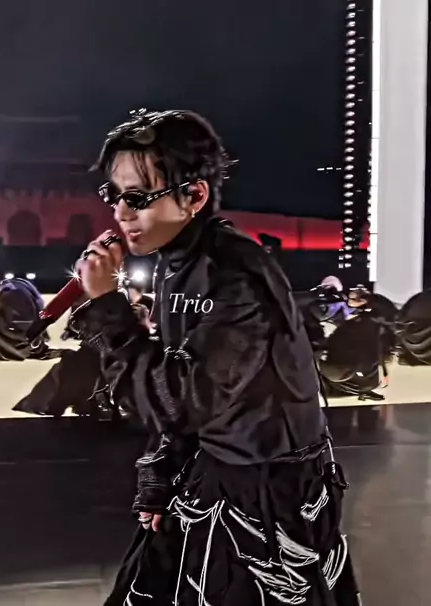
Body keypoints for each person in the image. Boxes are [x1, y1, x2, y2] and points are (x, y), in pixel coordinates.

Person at [75, 109, 361, 605]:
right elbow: (182, 382)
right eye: (114, 195)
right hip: (216, 467)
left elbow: (179, 400)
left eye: (137, 197)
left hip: (270, 493)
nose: (120, 213)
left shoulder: (237, 275)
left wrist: (107, 309)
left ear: (194, 195)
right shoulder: (176, 262)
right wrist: (159, 480)